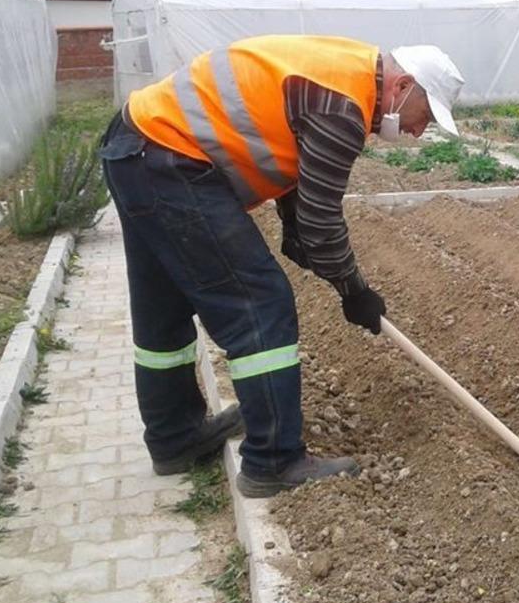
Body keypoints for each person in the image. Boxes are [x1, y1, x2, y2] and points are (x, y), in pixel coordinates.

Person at [98, 35, 465, 497]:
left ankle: (174, 437)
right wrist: (354, 290)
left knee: (163, 306)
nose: (418, 132)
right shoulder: (343, 104)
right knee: (259, 304)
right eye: (424, 117)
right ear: (403, 86)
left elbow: (295, 175)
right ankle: (272, 460)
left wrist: (297, 241)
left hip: (138, 146)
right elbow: (322, 221)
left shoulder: (339, 71)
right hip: (171, 159)